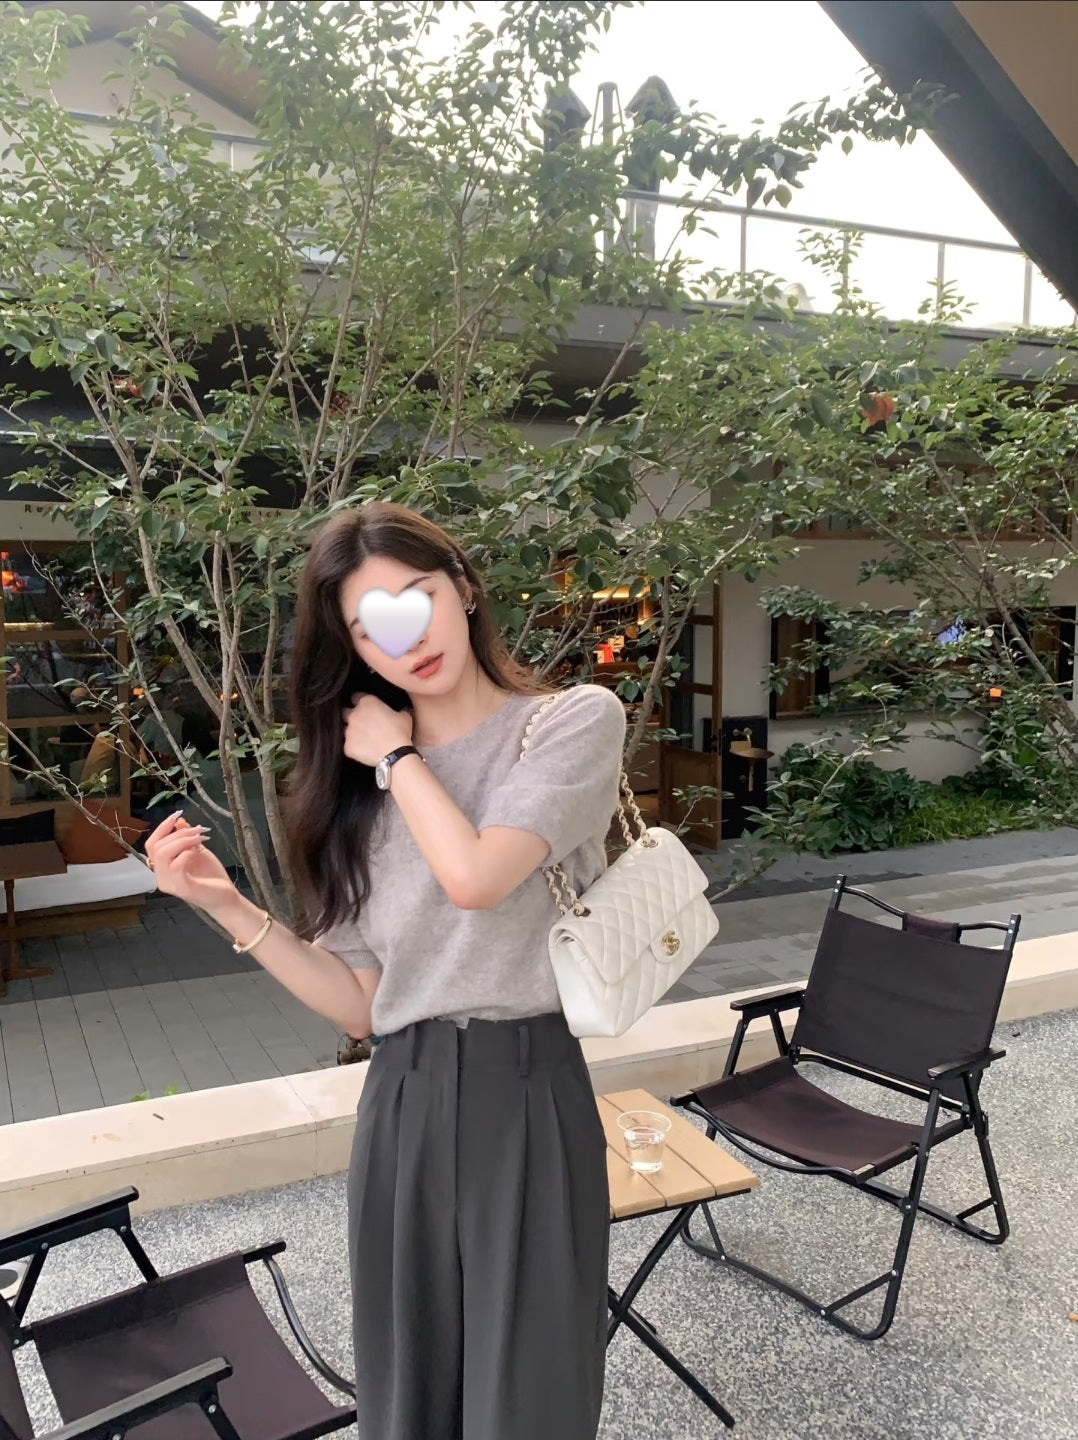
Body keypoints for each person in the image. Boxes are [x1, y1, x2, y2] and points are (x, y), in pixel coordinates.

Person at [144, 500, 627, 1440]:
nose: (408, 639)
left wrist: (399, 755)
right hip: (403, 1098)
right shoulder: (351, 794)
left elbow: (478, 876)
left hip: (529, 1090)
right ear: (355, 649)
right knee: (409, 1391)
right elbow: (360, 1005)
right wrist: (225, 904)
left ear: (465, 589)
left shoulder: (568, 722)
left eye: (418, 598)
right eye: (373, 627)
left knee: (530, 1395)